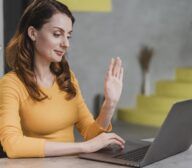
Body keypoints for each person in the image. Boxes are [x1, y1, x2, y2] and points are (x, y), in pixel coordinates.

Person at [0, 0, 125, 158]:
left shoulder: (67, 77)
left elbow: (91, 136)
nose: (66, 44)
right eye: (57, 34)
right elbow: (13, 145)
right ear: (33, 33)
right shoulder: (11, 84)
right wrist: (83, 147)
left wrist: (109, 104)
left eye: (68, 36)